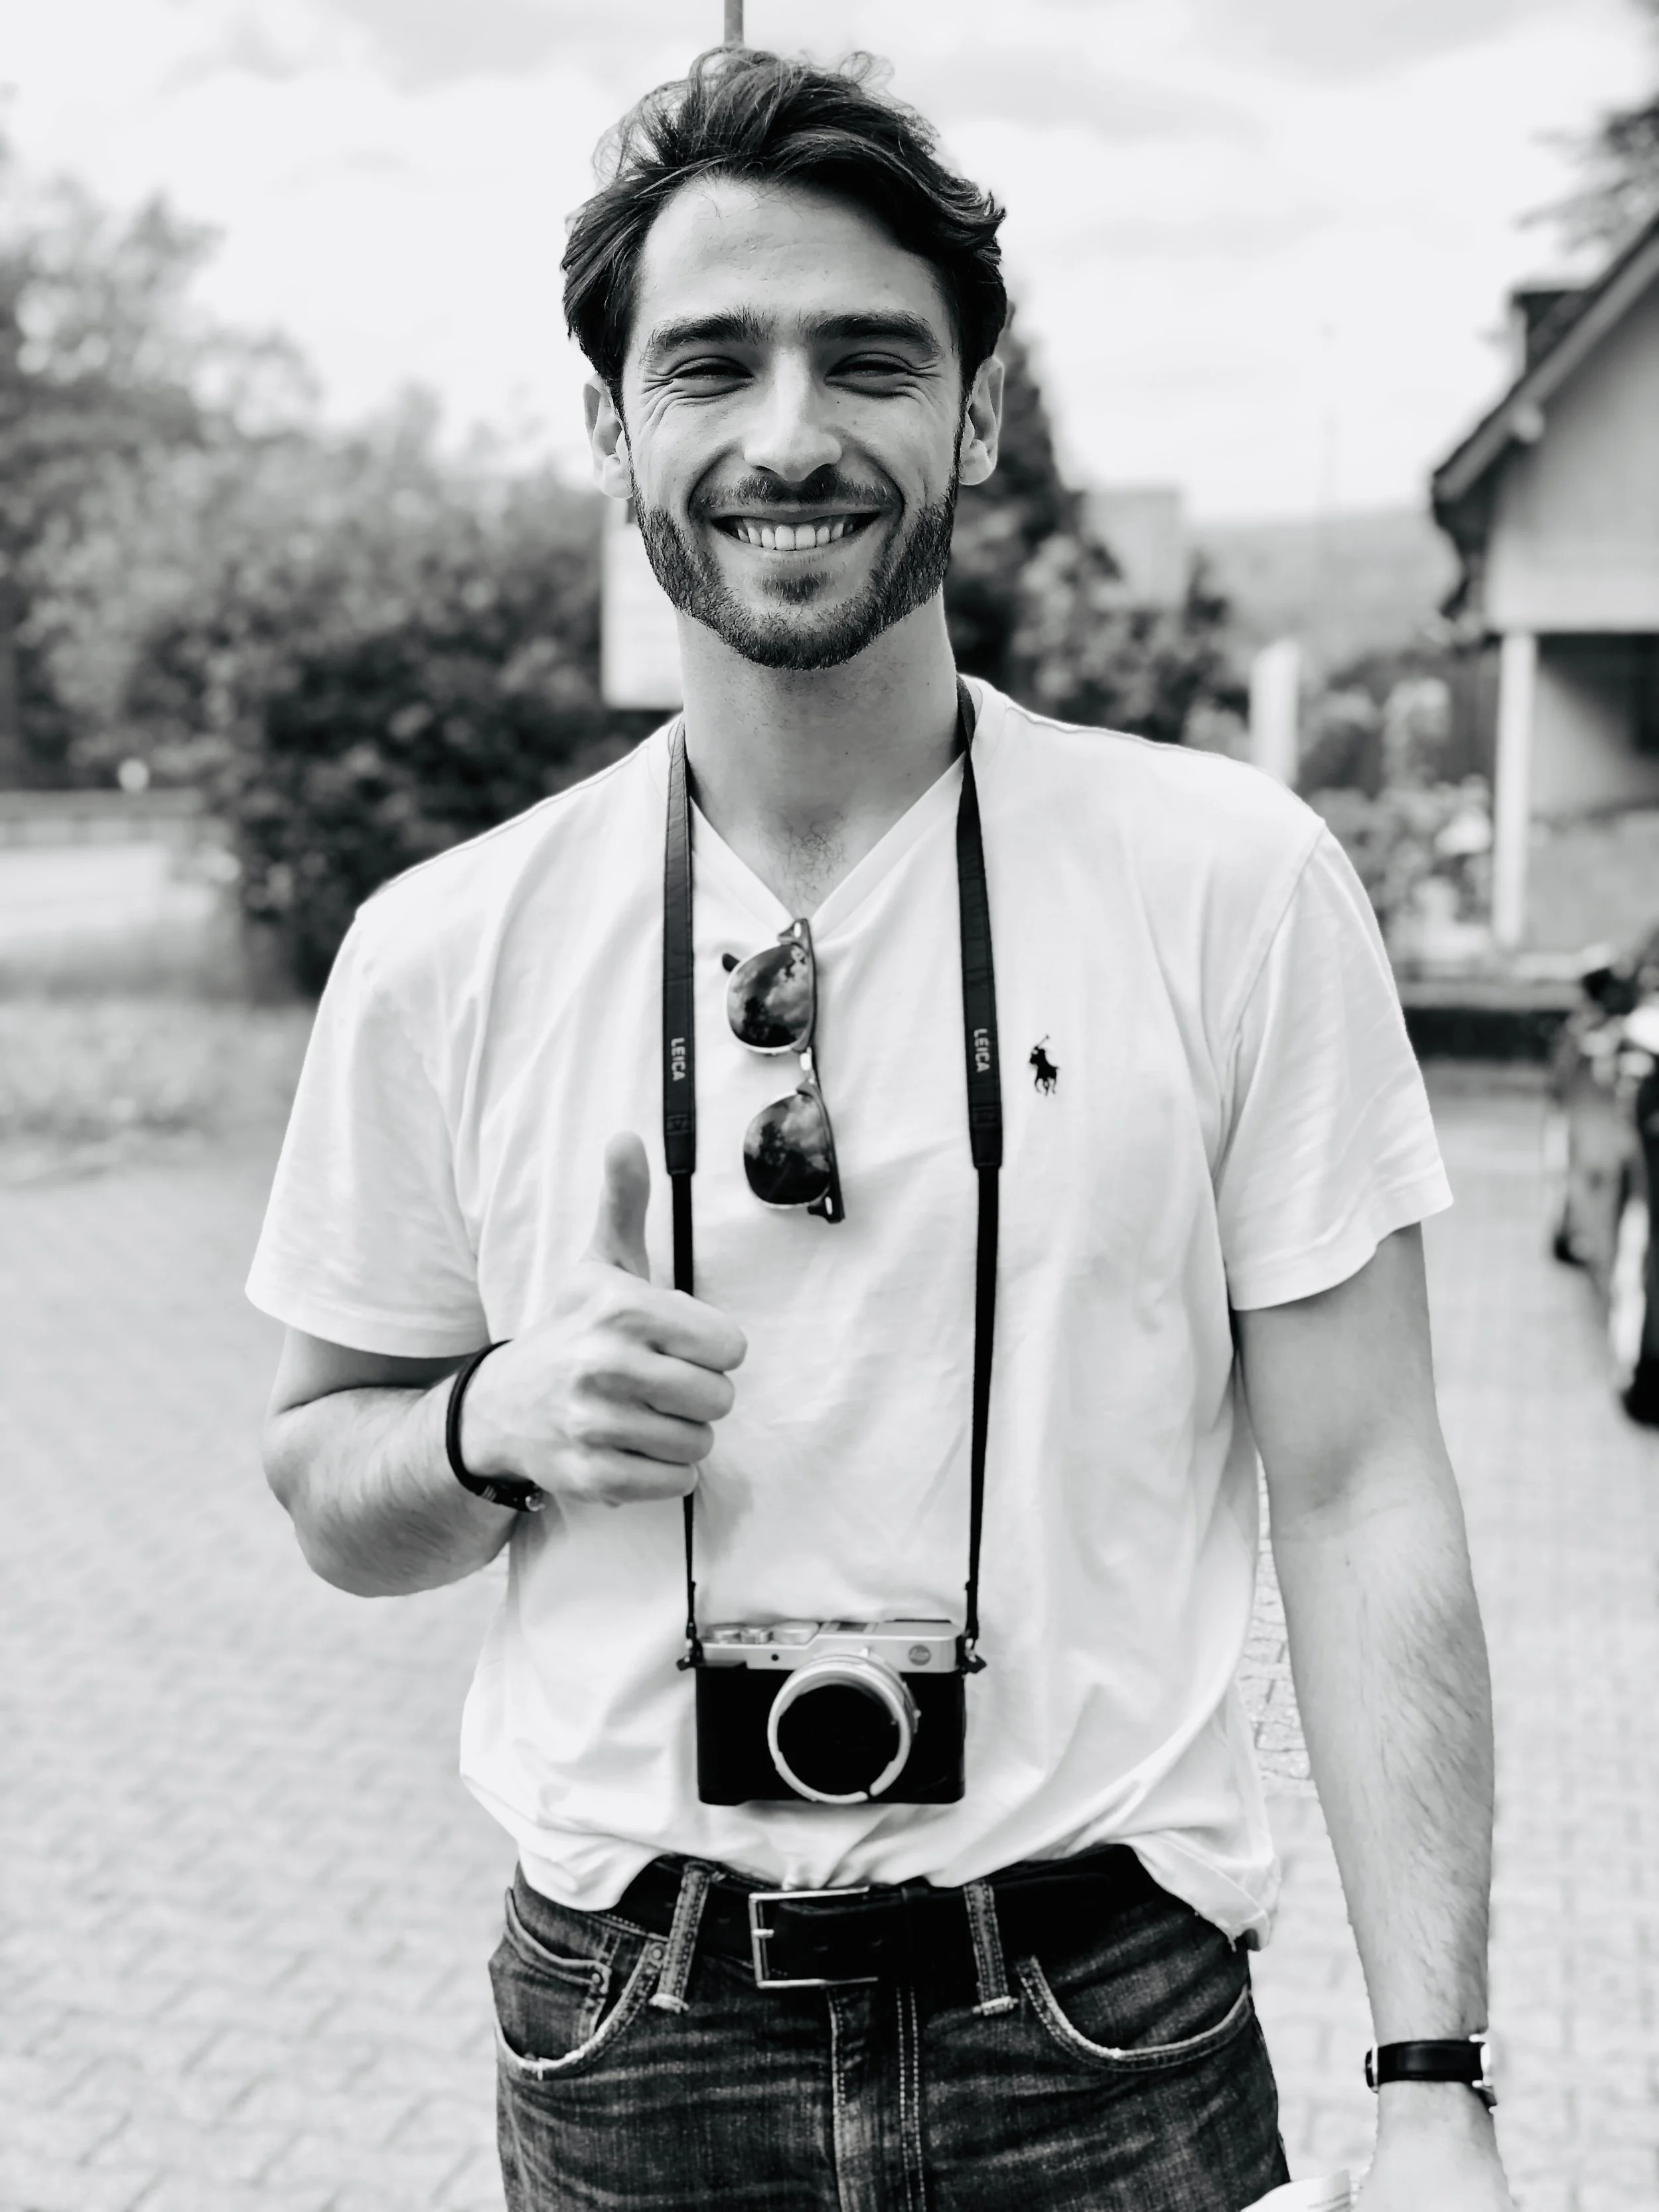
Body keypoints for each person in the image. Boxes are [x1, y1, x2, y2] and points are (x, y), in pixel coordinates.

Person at [250, 47, 1516, 2212]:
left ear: (977, 414)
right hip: (631, 2036)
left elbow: (1361, 1484)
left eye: (868, 360)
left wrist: (1431, 2087)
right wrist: (490, 1418)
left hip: (1104, 2024)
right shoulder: (444, 945)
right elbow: (323, 1483)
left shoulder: (1226, 881)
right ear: (613, 426)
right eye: (708, 362)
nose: (788, 433)